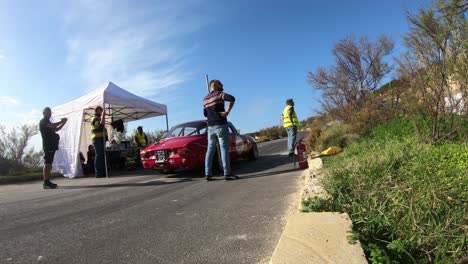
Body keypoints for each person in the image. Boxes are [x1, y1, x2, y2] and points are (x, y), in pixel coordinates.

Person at [203, 79, 238, 181]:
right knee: (224, 149)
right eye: (220, 84)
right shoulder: (220, 94)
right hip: (221, 124)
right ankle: (227, 173)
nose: (222, 85)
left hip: (210, 127)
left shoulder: (205, 99)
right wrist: (227, 111)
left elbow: (205, 114)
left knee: (210, 150)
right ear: (215, 85)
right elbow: (232, 98)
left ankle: (208, 174)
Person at [39, 107, 67, 189]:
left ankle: (47, 181)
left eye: (50, 112)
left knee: (49, 163)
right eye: (48, 112)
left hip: (52, 145)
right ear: (44, 113)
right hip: (48, 145)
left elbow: (56, 129)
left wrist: (63, 123)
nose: (49, 113)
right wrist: (61, 121)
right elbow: (52, 126)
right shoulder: (43, 121)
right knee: (47, 162)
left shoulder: (48, 121)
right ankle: (46, 182)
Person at [91, 106, 107, 177]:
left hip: (101, 139)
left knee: (101, 156)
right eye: (101, 110)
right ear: (97, 110)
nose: (102, 111)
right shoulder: (95, 118)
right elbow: (100, 126)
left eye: (102, 110)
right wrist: (103, 116)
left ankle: (102, 172)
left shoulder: (98, 118)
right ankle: (98, 173)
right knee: (99, 155)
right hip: (97, 139)